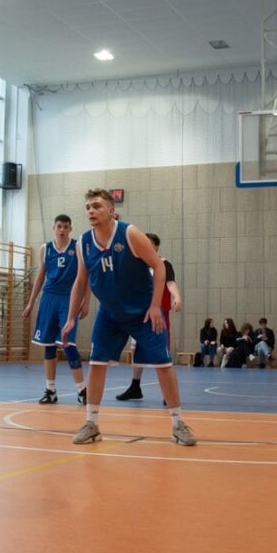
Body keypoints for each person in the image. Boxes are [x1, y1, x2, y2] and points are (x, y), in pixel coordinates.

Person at [61, 189, 195, 445]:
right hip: (110, 314)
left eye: (97, 206)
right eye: (88, 206)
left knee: (163, 366)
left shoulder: (130, 234)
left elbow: (158, 266)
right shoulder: (83, 243)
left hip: (144, 312)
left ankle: (179, 424)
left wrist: (156, 305)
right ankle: (92, 423)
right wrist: (70, 319)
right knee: (97, 364)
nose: (90, 210)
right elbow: (80, 281)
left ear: (111, 210)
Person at [22, 214, 89, 405]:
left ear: (70, 229)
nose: (62, 230)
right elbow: (40, 277)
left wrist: (85, 302)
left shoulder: (77, 247)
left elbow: (86, 276)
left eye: (66, 227)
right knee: (49, 345)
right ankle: (50, 390)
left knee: (68, 345)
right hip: (48, 299)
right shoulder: (45, 249)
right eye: (59, 226)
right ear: (54, 227)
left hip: (69, 299)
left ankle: (82, 390)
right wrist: (31, 302)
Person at [117, 233, 181, 400]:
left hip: (158, 313)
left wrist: (177, 296)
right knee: (135, 349)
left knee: (161, 352)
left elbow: (170, 282)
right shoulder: (137, 265)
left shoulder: (163, 263)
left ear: (156, 247)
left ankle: (168, 394)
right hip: (139, 313)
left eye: (150, 243)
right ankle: (135, 386)